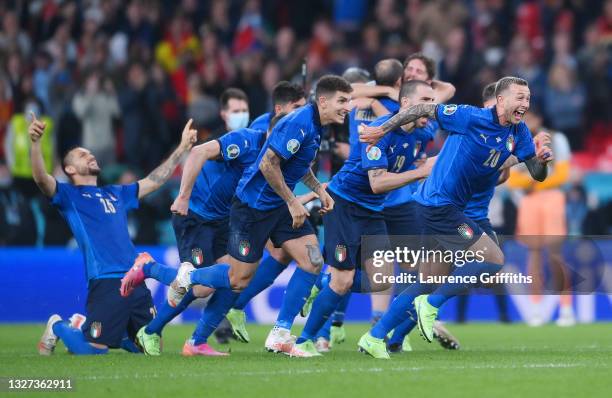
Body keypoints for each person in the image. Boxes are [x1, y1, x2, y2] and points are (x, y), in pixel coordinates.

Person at [358, 76, 553, 359]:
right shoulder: (470, 117)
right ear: (500, 100)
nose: (525, 103)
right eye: (519, 97)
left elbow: (536, 173)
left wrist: (542, 161)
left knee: (426, 281)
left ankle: (377, 338)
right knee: (492, 259)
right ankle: (432, 305)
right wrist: (382, 129)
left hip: (450, 209)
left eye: (528, 98)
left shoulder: (519, 132)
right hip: (438, 205)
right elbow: (422, 110)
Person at [166, 75, 351, 357]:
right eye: (342, 100)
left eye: (348, 101)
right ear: (323, 101)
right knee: (239, 280)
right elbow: (267, 164)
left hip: (277, 205)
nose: (347, 107)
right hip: (252, 207)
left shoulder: (316, 126)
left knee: (313, 260)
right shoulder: (299, 122)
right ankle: (189, 276)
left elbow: (299, 166)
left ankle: (280, 334)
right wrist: (292, 201)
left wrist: (319, 191)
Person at [121, 113, 318, 355]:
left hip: (226, 219)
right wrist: (182, 196)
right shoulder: (247, 141)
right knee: (202, 288)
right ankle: (148, 275)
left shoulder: (279, 160)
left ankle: (196, 342)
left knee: (233, 281)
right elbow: (197, 152)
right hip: (196, 217)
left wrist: (309, 196)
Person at [33, 113, 196, 355]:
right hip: (106, 279)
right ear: (69, 168)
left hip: (135, 277)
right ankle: (59, 325)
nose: (90, 155)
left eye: (90, 153)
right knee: (94, 351)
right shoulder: (69, 196)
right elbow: (41, 179)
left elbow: (154, 180)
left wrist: (182, 148)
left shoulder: (115, 193)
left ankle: (93, 328)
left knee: (150, 349)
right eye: (82, 155)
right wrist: (35, 143)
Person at [296, 80, 436, 355]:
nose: (433, 107)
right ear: (406, 105)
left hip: (373, 212)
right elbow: (377, 183)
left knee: (382, 280)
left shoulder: (423, 132)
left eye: (433, 101)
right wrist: (421, 172)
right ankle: (304, 340)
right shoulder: (378, 132)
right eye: (427, 101)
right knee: (344, 280)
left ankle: (323, 284)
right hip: (344, 205)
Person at [506, 107, 573, 327]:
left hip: (551, 198)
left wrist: (533, 182)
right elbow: (512, 181)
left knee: (555, 255)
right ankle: (536, 308)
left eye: (530, 117)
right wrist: (537, 180)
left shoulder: (557, 139)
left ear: (539, 118)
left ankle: (566, 307)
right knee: (533, 256)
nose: (526, 121)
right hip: (529, 202)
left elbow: (563, 175)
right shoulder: (515, 140)